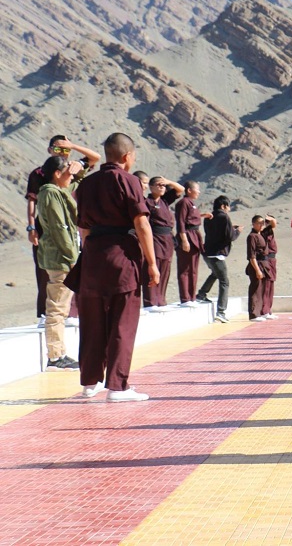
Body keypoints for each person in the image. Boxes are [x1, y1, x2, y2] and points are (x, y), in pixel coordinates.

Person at [73, 132, 159, 402]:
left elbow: (83, 228)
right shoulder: (129, 181)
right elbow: (142, 223)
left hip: (92, 257)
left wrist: (89, 256)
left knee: (92, 321)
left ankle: (89, 382)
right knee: (123, 321)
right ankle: (118, 387)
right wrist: (153, 264)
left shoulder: (86, 185)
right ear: (126, 156)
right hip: (122, 256)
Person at [25, 135, 99, 327]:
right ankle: (45, 313)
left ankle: (70, 313)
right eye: (58, 149)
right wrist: (32, 226)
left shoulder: (72, 169)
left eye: (65, 149)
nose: (63, 153)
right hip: (48, 223)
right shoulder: (41, 173)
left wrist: (74, 145)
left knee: (72, 270)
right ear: (50, 150)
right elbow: (32, 200)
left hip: (71, 224)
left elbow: (95, 158)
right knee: (47, 268)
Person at [35, 156, 81, 371]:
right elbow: (59, 228)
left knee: (60, 307)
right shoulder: (51, 193)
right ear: (57, 173)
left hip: (62, 257)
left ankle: (58, 352)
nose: (71, 176)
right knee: (56, 308)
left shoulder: (57, 191)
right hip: (60, 259)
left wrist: (77, 167)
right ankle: (55, 356)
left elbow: (91, 161)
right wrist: (72, 258)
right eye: (68, 172)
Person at [197, 196, 243, 323]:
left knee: (215, 274)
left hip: (207, 252)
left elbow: (214, 231)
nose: (228, 209)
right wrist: (237, 231)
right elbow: (230, 237)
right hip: (217, 254)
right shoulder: (225, 217)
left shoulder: (209, 217)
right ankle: (221, 311)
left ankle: (201, 294)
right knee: (224, 281)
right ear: (223, 206)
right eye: (228, 207)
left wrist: (230, 227)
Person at [142, 176, 183, 309]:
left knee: (165, 267)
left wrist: (169, 181)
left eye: (163, 185)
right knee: (154, 267)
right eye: (158, 185)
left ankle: (161, 299)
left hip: (167, 238)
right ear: (151, 187)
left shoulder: (165, 201)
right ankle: (151, 301)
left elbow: (180, 189)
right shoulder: (147, 202)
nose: (162, 187)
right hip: (155, 237)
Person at [175, 181, 204, 304]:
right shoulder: (183, 203)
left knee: (193, 269)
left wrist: (202, 216)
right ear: (189, 190)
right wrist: (184, 240)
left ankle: (192, 297)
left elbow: (191, 218)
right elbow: (181, 222)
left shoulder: (192, 204)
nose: (199, 192)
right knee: (185, 268)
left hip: (195, 236)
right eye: (197, 189)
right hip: (187, 236)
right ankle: (185, 298)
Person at [246, 215, 272, 322]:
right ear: (253, 224)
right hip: (257, 264)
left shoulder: (260, 235)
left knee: (262, 289)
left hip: (264, 264)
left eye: (263, 223)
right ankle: (253, 314)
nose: (262, 225)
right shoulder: (252, 236)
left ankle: (261, 311)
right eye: (259, 223)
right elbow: (251, 255)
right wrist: (257, 270)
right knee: (255, 289)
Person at [261, 214, 278, 320]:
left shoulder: (269, 230)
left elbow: (274, 224)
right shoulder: (264, 231)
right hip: (266, 259)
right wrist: (269, 221)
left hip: (272, 259)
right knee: (266, 285)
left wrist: (271, 219)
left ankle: (268, 309)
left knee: (271, 284)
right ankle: (264, 310)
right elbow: (273, 224)